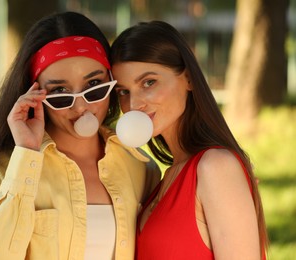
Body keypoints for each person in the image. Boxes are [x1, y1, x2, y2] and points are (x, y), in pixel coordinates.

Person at [0, 12, 160, 260]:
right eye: (60, 92)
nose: (80, 107)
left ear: (112, 83)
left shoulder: (141, 169)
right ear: (34, 95)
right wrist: (26, 156)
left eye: (94, 86)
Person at [110, 21, 268, 259]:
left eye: (148, 82)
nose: (134, 105)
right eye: (124, 92)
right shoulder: (164, 178)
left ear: (189, 79)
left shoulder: (216, 167)